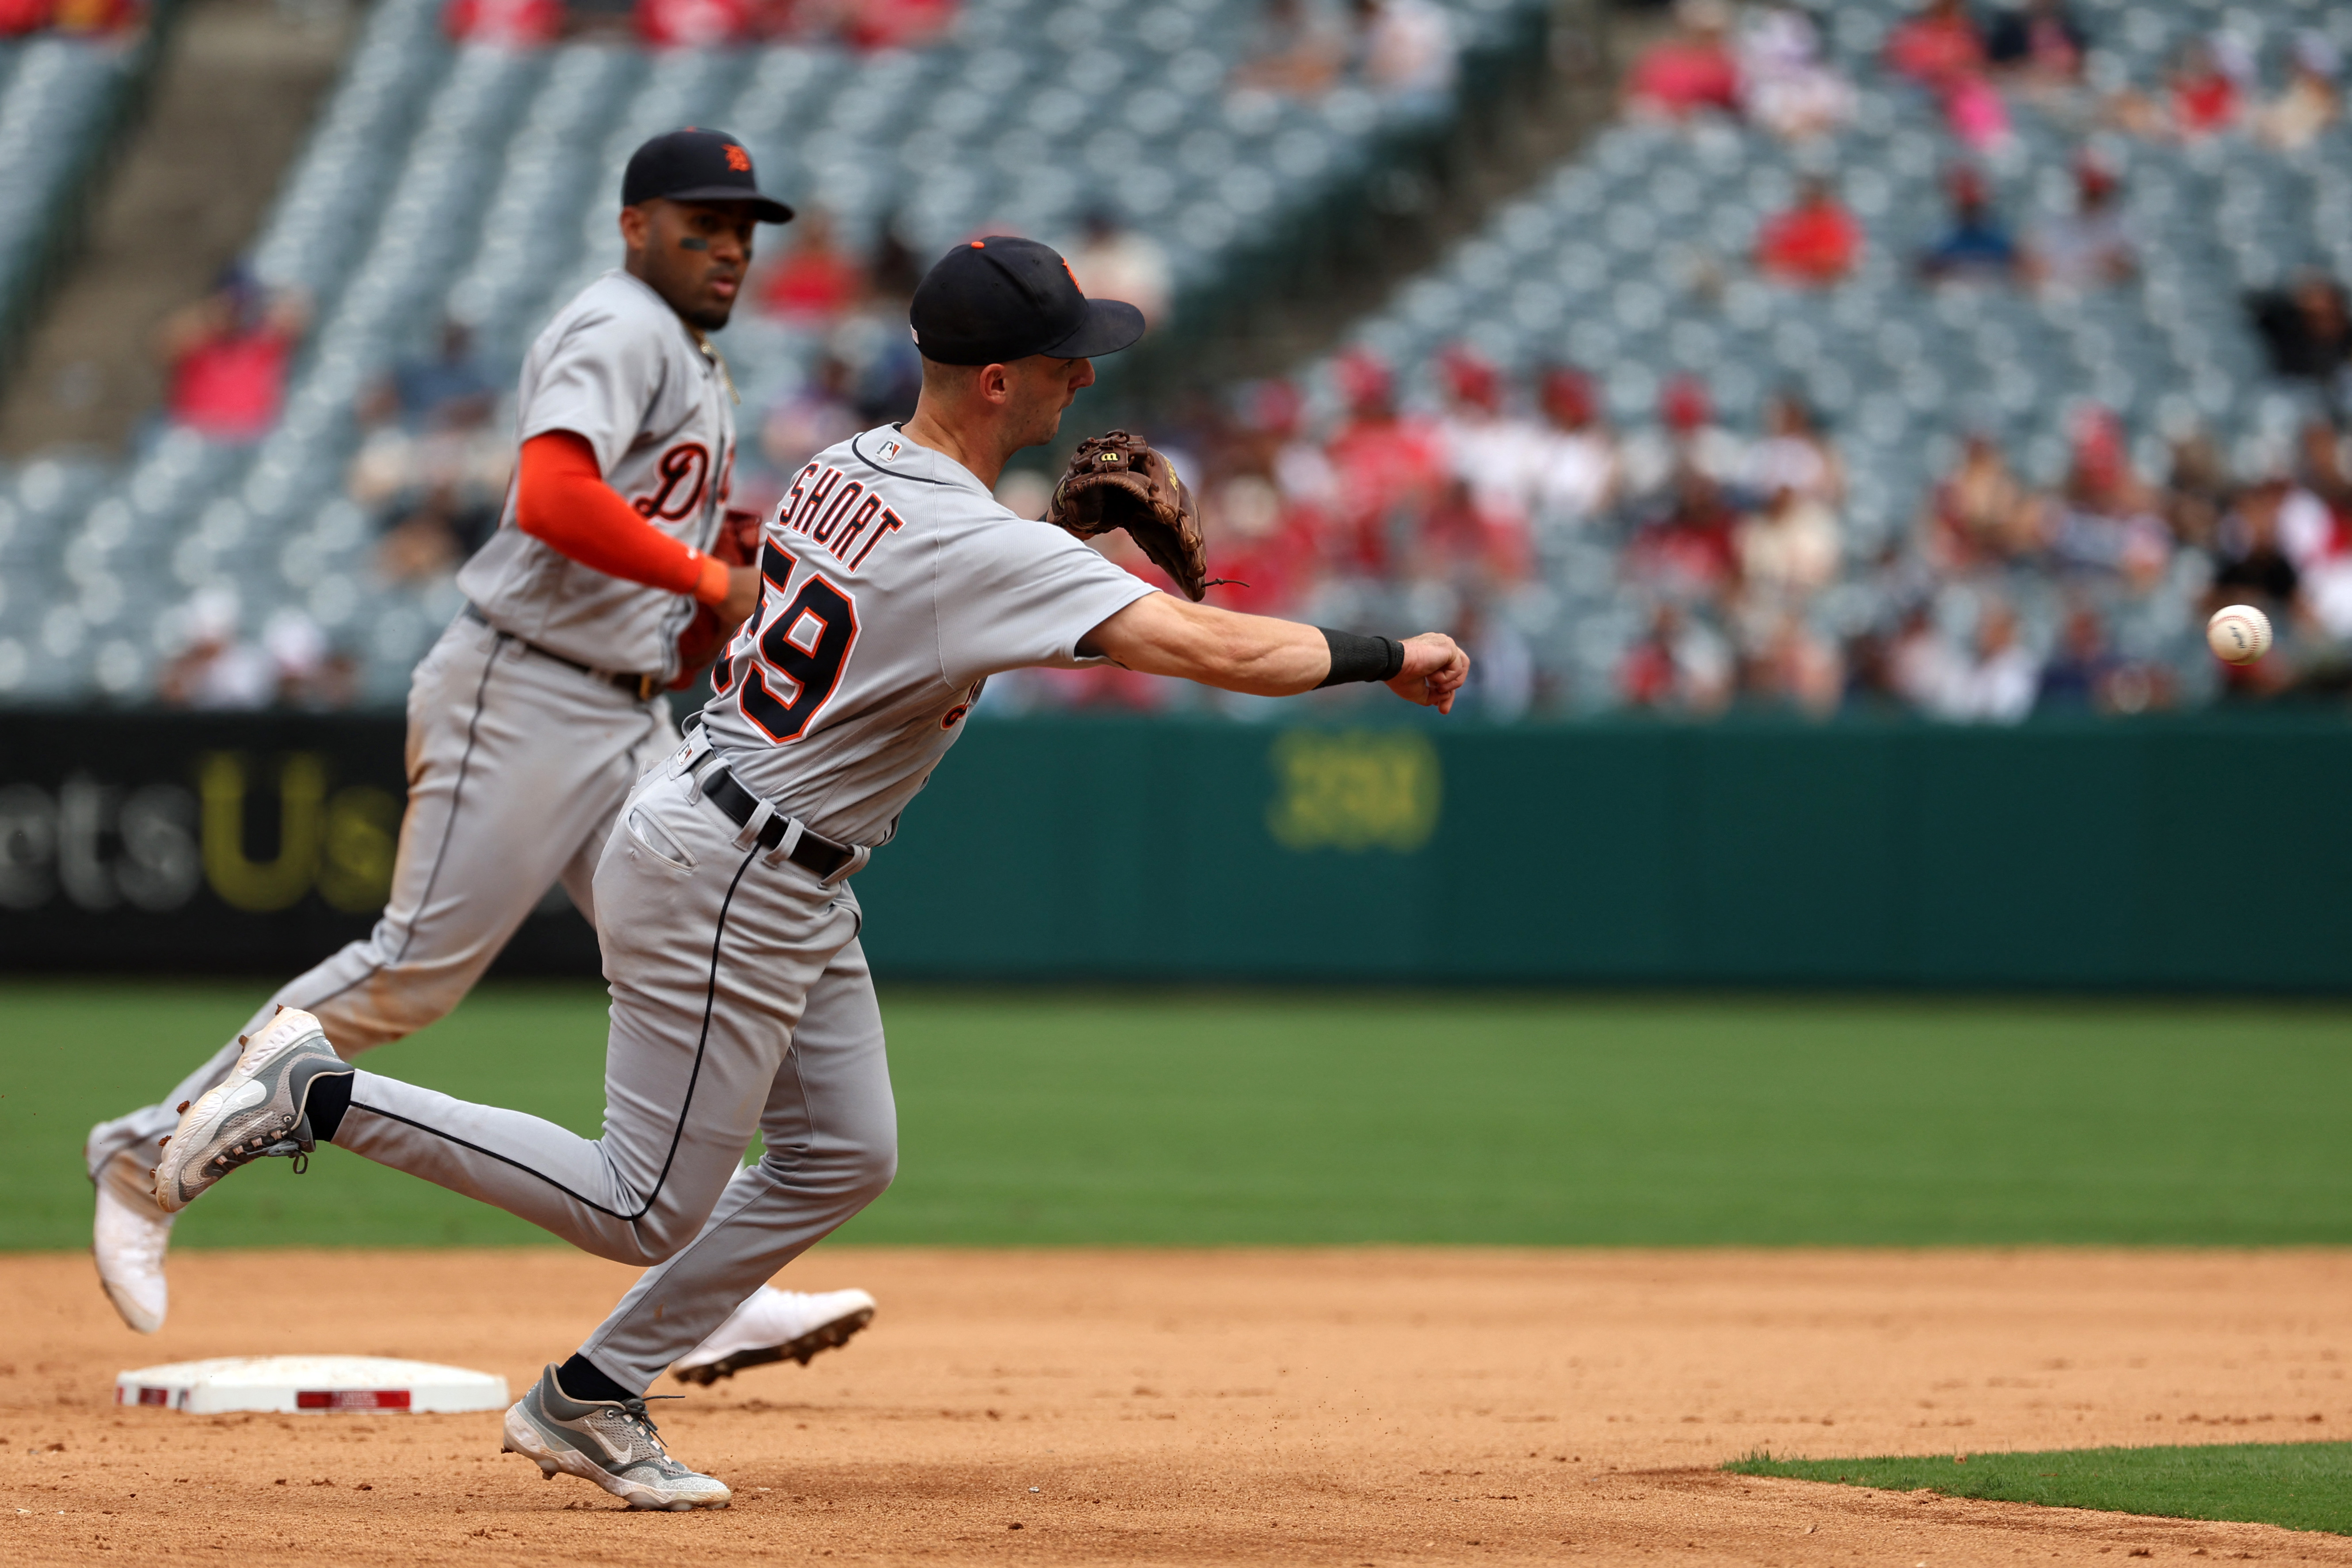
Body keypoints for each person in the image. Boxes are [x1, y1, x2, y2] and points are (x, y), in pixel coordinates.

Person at [149, 233, 1470, 1511]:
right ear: (997, 380)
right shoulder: (982, 543)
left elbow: (928, 600)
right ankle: (317, 1094)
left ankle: (592, 1391)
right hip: (734, 864)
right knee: (640, 1203)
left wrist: (1058, 563)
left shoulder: (849, 463)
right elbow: (1221, 658)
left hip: (754, 836)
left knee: (845, 1154)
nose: (1085, 375)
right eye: (1063, 356)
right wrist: (1387, 650)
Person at [89, 130, 878, 1376]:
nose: (729, 244)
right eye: (700, 221)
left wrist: (700, 558)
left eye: (745, 226)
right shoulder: (619, 325)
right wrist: (706, 574)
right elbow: (551, 498)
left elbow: (633, 511)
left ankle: (699, 1291)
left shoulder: (684, 349)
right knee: (414, 969)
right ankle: (146, 1153)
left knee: (685, 962)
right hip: (525, 688)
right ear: (635, 227)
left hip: (616, 707)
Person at [1755, 177, 1863, 286]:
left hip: (1823, 288)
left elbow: (1839, 264)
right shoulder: (1784, 220)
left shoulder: (1839, 223)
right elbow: (1765, 257)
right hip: (1787, 285)